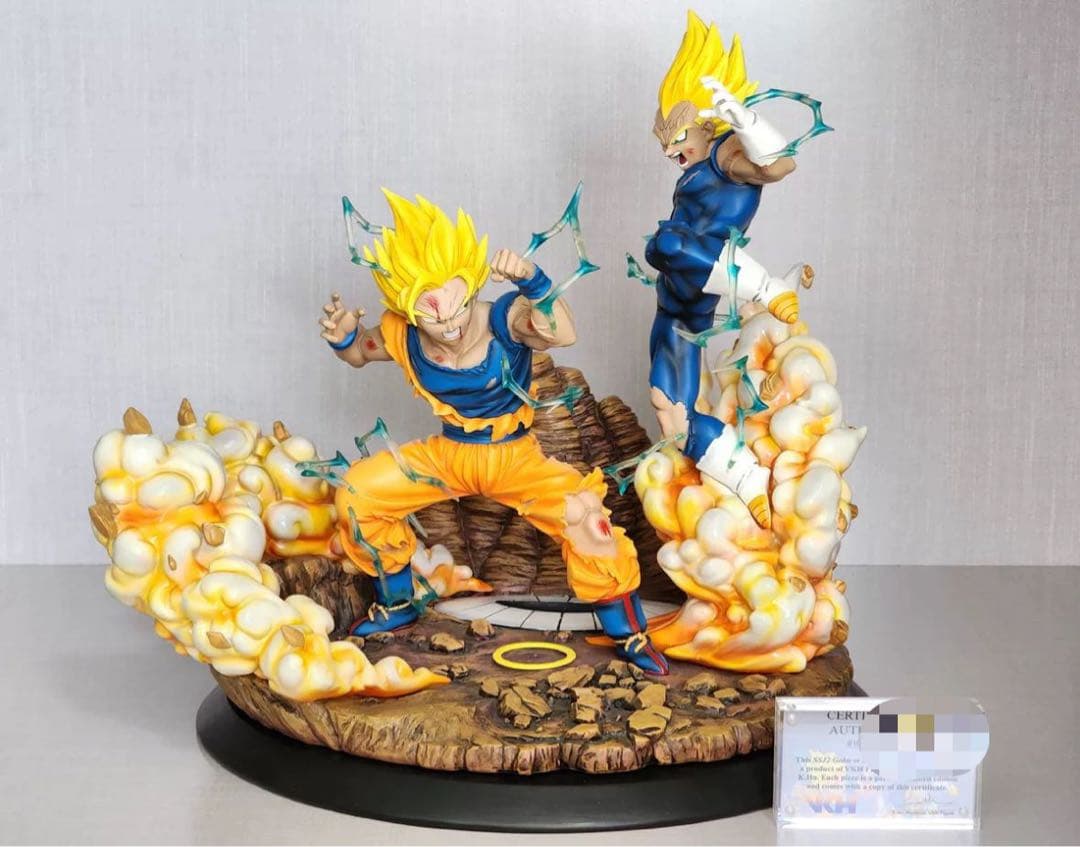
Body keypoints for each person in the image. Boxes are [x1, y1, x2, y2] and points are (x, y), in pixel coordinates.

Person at [318, 190, 668, 673]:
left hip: (513, 457)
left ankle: (628, 633)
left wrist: (534, 282)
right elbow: (359, 352)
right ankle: (397, 601)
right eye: (432, 313)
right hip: (448, 455)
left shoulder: (504, 319)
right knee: (358, 496)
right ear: (408, 306)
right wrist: (343, 338)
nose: (450, 324)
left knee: (589, 518)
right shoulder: (402, 332)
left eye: (459, 306)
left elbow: (563, 333)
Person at [645, 11, 812, 528]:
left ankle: (766, 287)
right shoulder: (699, 165)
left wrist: (745, 120)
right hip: (674, 303)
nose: (670, 150)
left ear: (706, 123)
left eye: (678, 136)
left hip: (708, 279)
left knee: (666, 239)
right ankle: (745, 479)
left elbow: (780, 165)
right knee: (670, 414)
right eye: (663, 139)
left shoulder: (725, 155)